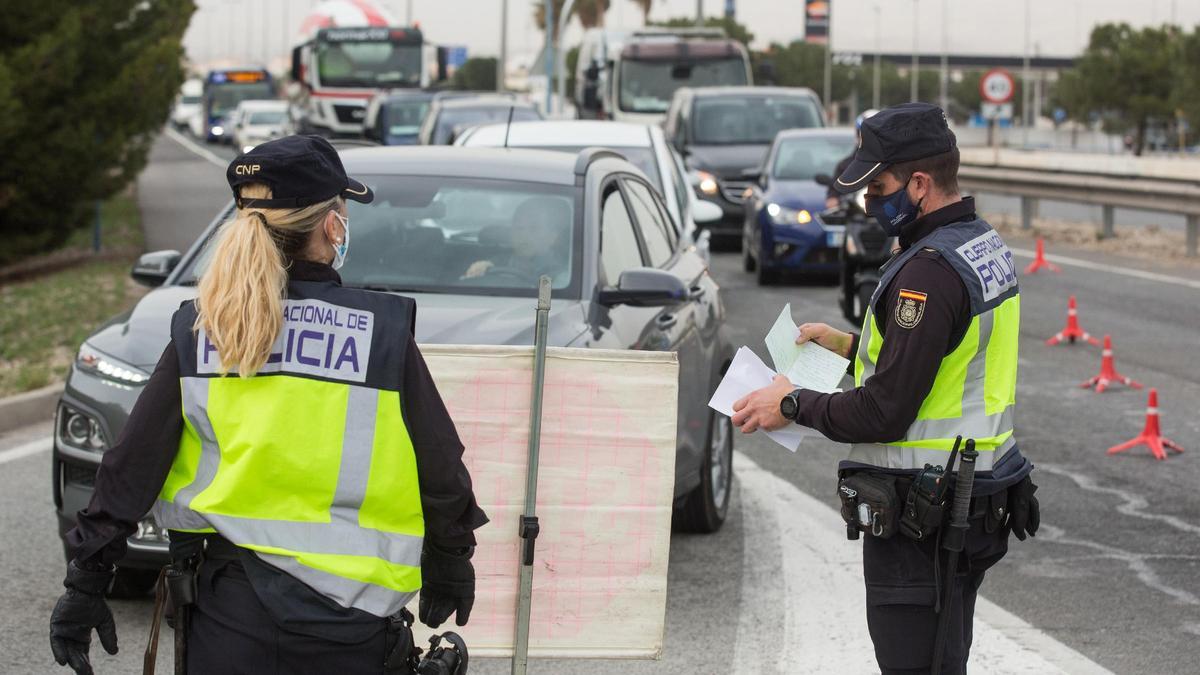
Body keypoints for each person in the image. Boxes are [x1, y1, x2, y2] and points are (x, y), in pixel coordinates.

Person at [49, 135, 488, 674]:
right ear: (332, 226)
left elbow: (133, 461)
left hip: (228, 620)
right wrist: (450, 562)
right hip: (349, 628)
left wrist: (87, 580)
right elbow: (440, 467)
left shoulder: (204, 329)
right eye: (343, 210)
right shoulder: (378, 335)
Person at [732, 103, 1040, 675]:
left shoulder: (928, 272)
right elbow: (944, 363)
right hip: (970, 497)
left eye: (880, 186)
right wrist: (849, 347)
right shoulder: (977, 243)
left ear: (920, 183)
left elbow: (886, 412)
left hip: (926, 513)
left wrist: (792, 404)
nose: (869, 199)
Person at [461, 196, 572, 284]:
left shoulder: (562, 275)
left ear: (552, 237)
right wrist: (479, 269)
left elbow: (544, 306)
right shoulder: (498, 262)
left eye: (534, 229)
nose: (524, 235)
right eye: (519, 229)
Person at [825, 108, 878, 210]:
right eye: (863, 133)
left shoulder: (894, 164)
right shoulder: (845, 165)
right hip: (855, 214)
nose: (868, 138)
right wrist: (833, 198)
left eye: (873, 134)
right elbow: (835, 189)